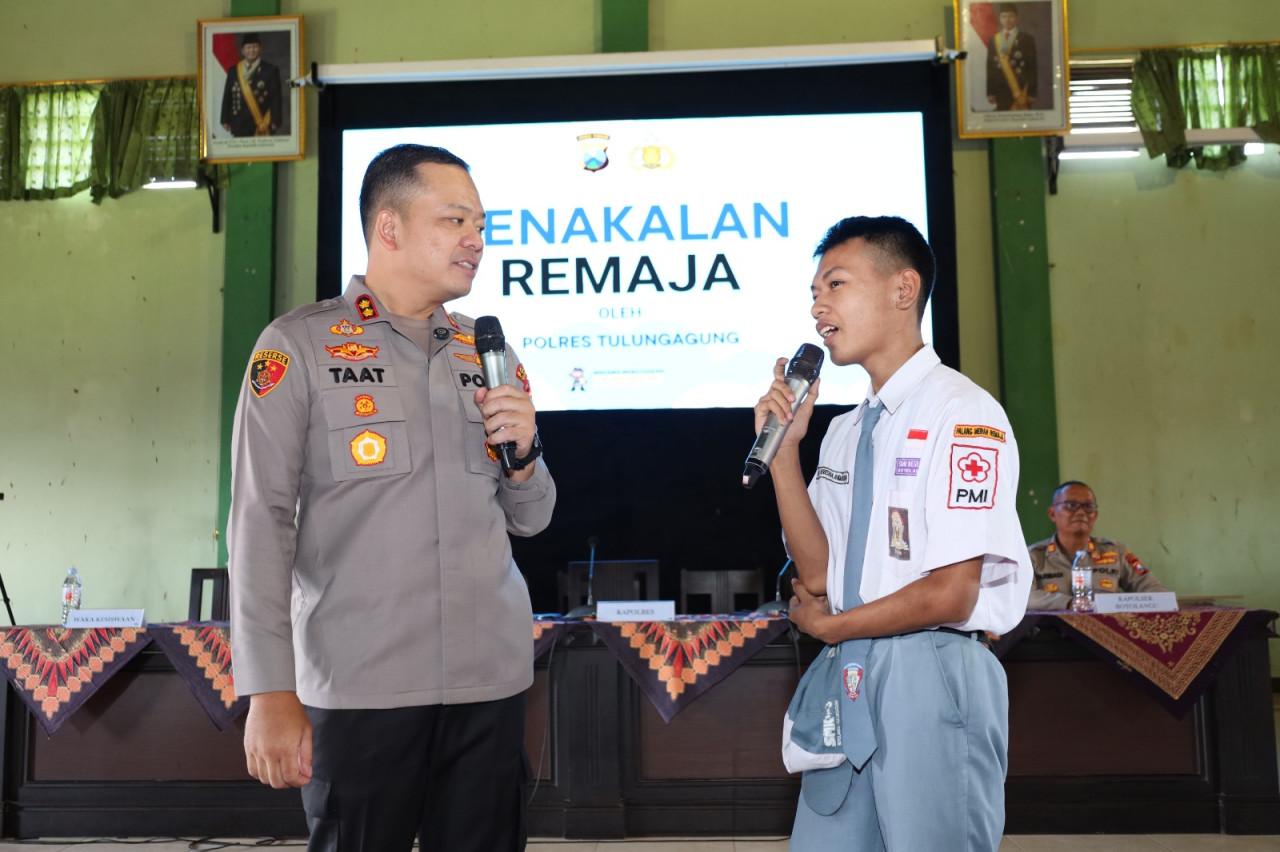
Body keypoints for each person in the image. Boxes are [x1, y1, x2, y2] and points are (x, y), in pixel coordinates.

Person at [228, 144, 556, 851]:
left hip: (487, 685)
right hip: (359, 690)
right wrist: (268, 691)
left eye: (482, 224)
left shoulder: (488, 354)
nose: (476, 239)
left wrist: (525, 457)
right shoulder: (298, 349)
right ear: (390, 228)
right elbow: (259, 525)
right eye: (455, 219)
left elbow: (532, 518)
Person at [755, 216, 1031, 850]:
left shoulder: (962, 414)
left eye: (836, 283)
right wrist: (785, 456)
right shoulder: (847, 430)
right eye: (814, 291)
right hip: (848, 664)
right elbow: (822, 575)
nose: (818, 304)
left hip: (929, 665)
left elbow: (951, 594)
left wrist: (831, 626)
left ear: (904, 290)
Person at [1028, 481, 1169, 610]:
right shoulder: (1033, 556)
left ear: (1095, 515)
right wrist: (1069, 603)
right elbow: (1023, 597)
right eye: (1071, 505)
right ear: (1052, 513)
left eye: (1088, 507)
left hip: (1105, 634)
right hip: (1051, 636)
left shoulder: (1115, 552)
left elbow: (1155, 589)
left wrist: (1126, 604)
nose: (1081, 512)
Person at [220, 32, 283, 136]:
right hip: (238, 123)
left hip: (261, 122)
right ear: (243, 51)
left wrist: (275, 121)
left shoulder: (271, 70)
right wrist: (224, 119)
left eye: (255, 47)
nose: (251, 50)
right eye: (248, 47)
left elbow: (276, 98)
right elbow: (227, 96)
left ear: (260, 49)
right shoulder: (233, 70)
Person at [985, 3, 1038, 111]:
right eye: (1004, 16)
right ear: (1000, 19)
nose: (1007, 20)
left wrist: (1032, 92)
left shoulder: (1027, 39)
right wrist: (990, 91)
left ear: (1016, 18)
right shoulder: (993, 40)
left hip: (1020, 90)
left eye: (1011, 16)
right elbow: (990, 67)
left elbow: (1032, 67)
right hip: (1000, 89)